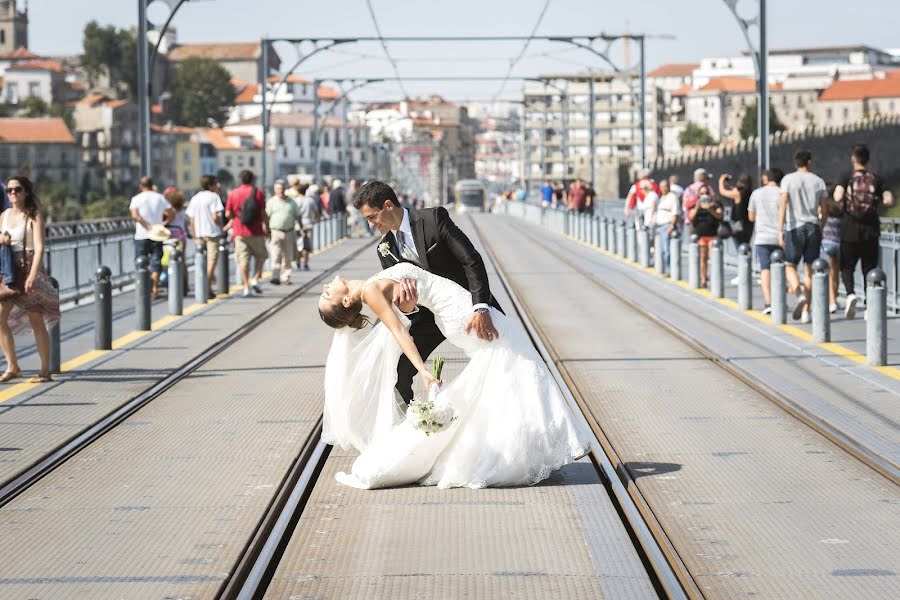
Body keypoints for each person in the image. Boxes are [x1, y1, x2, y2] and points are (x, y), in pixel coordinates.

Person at [317, 262, 591, 489]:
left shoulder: (370, 285)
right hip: (461, 314)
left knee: (510, 368)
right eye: (327, 295)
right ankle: (545, 442)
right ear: (345, 300)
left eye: (324, 291)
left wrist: (410, 306)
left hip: (454, 311)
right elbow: (399, 333)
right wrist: (423, 371)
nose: (326, 287)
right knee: (519, 358)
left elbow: (409, 304)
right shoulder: (370, 293)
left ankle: (530, 444)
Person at [353, 180, 502, 405]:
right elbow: (403, 302)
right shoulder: (385, 249)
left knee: (504, 359)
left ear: (388, 205)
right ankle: (417, 422)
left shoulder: (433, 219)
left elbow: (471, 260)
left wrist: (480, 307)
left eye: (372, 217)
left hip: (467, 305)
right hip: (429, 316)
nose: (371, 224)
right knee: (397, 370)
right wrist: (408, 306)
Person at [0, 176, 60, 383]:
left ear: (26, 192)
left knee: (36, 320)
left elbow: (40, 246)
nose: (13, 194)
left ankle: (45, 371)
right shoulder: (4, 215)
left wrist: (34, 274)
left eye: (17, 190)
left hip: (29, 267)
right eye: (9, 190)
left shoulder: (33, 214)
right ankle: (12, 366)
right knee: (0, 318)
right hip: (9, 271)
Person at [834, 143, 895, 319]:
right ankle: (870, 306)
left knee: (847, 267)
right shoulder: (876, 178)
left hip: (849, 229)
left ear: (853, 158)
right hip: (871, 230)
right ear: (868, 160)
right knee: (869, 269)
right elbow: (889, 199)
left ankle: (851, 293)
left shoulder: (846, 177)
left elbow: (837, 196)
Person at [778, 149, 827, 324]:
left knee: (789, 265)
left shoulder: (788, 180)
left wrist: (780, 229)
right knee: (809, 269)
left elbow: (783, 204)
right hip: (813, 226)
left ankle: (798, 294)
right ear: (809, 162)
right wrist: (821, 226)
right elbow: (825, 207)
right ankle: (807, 312)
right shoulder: (818, 181)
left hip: (794, 227)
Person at [225, 170, 269, 297]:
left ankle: (246, 286)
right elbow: (263, 213)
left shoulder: (233, 193)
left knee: (243, 260)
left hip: (239, 232)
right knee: (261, 256)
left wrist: (236, 218)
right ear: (253, 179)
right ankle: (255, 277)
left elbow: (228, 214)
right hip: (256, 231)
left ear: (240, 180)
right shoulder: (258, 193)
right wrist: (267, 227)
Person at [748, 168, 784, 314]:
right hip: (780, 236)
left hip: (762, 237)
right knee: (781, 268)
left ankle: (769, 302)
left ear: (766, 178)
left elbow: (751, 217)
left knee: (765, 269)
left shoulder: (757, 193)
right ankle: (780, 300)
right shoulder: (783, 192)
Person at [130, 176, 171, 299]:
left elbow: (135, 216)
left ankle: (143, 287)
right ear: (152, 185)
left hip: (141, 235)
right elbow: (171, 212)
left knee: (140, 261)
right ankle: (155, 288)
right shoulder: (159, 198)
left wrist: (147, 226)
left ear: (141, 186)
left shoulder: (136, 199)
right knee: (156, 261)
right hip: (157, 235)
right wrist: (164, 224)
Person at [186, 175, 225, 290]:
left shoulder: (195, 198)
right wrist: (222, 226)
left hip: (199, 234)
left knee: (201, 260)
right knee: (212, 261)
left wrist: (194, 235)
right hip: (212, 233)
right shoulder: (214, 197)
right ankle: (206, 287)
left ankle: (204, 285)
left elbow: (191, 219)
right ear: (211, 185)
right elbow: (215, 216)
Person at [688, 184, 723, 289]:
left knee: (714, 258)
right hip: (701, 235)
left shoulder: (715, 204)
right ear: (698, 195)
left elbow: (720, 215)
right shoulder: (696, 204)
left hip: (713, 235)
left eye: (707, 193)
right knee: (703, 258)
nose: (705, 195)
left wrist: (710, 209)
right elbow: (690, 216)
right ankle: (703, 279)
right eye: (702, 193)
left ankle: (715, 279)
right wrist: (698, 206)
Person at [266, 179, 300, 285]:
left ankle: (286, 276)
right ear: (275, 190)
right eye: (278, 189)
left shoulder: (291, 202)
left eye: (282, 188)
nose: (280, 190)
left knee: (287, 255)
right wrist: (266, 230)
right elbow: (266, 216)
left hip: (289, 231)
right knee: (275, 254)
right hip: (275, 231)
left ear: (285, 189)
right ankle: (275, 275)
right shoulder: (271, 202)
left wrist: (301, 228)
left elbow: (297, 215)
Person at [820, 184, 843, 314]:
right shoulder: (840, 209)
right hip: (839, 244)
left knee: (829, 274)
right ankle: (835, 297)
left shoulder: (824, 209)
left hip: (826, 244)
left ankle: (832, 301)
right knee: (835, 273)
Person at [655, 180, 681, 276]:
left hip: (667, 225)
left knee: (667, 250)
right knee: (662, 250)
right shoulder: (662, 197)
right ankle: (663, 268)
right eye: (662, 187)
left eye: (665, 186)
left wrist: (672, 226)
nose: (663, 188)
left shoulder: (672, 197)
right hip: (660, 225)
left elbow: (675, 213)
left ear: (668, 187)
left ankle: (669, 270)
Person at [682, 168, 716, 236]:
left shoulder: (688, 189)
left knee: (692, 244)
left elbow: (684, 206)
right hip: (705, 221)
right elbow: (714, 202)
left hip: (690, 221)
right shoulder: (707, 189)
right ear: (703, 177)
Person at [295, 183, 320, 271]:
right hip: (308, 224)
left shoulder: (295, 201)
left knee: (298, 244)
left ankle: (298, 262)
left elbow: (294, 214)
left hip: (297, 225)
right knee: (307, 245)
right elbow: (316, 213)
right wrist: (314, 220)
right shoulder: (310, 200)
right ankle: (305, 263)